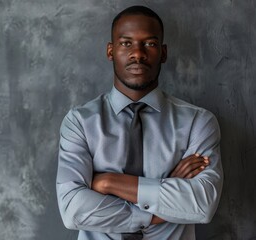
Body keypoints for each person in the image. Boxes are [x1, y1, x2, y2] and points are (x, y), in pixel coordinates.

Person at [56, 5, 223, 240]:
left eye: (150, 44)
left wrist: (108, 182)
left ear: (163, 53)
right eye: (126, 43)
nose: (138, 53)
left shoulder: (198, 122)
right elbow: (73, 209)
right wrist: (162, 200)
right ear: (110, 51)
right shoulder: (79, 122)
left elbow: (202, 205)